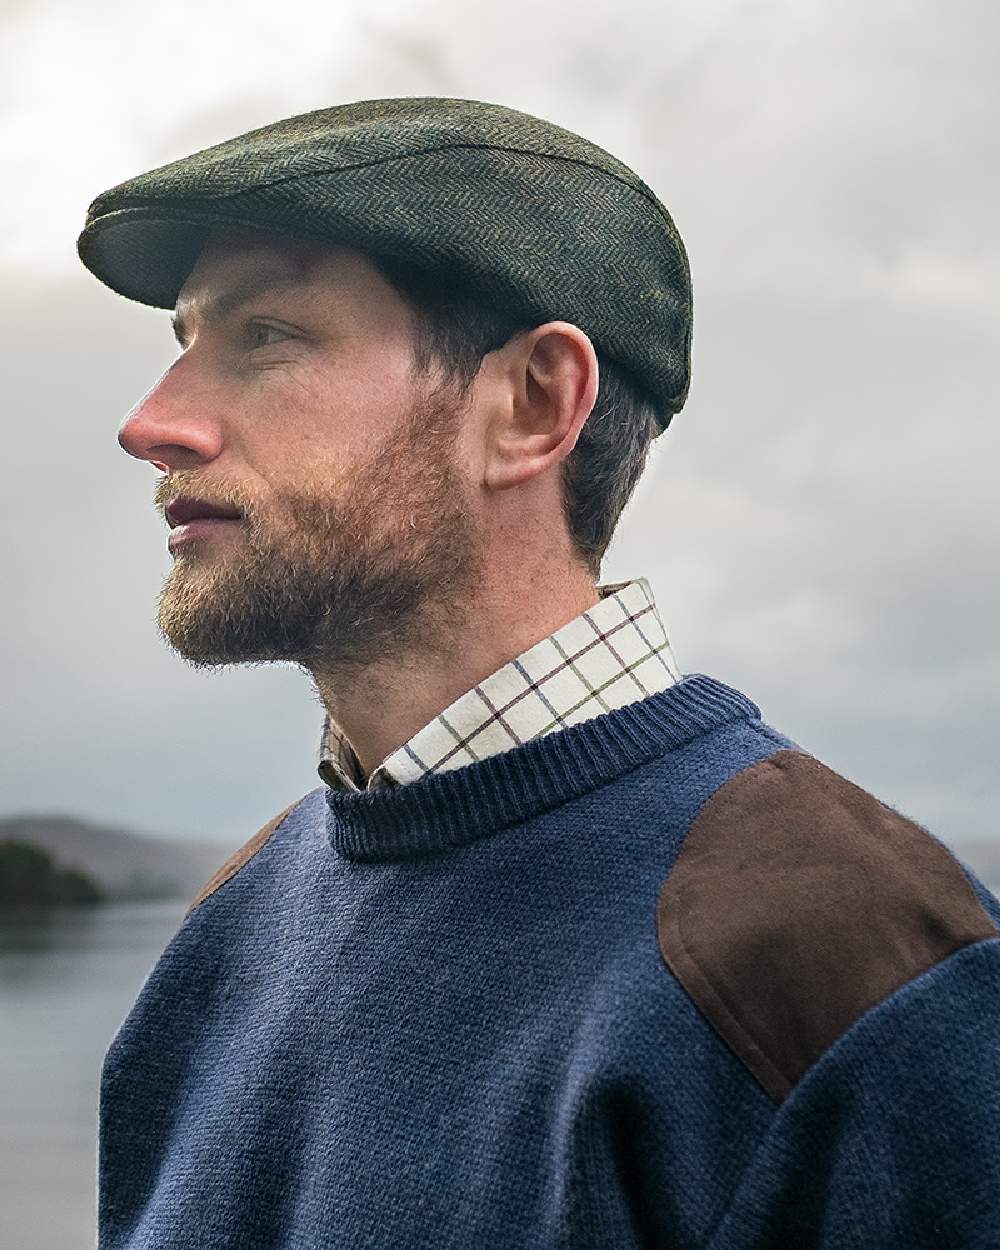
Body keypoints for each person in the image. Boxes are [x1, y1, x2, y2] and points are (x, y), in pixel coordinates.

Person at [76, 97, 1000, 1250]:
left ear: (531, 404)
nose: (152, 424)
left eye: (266, 336)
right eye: (183, 346)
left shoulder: (843, 956)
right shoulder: (233, 927)